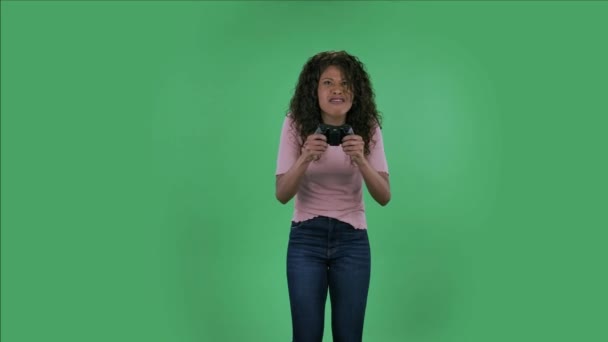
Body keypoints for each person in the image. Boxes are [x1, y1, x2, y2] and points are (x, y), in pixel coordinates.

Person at [275, 50, 390, 342]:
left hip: (352, 240)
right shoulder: (295, 124)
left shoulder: (368, 126)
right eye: (327, 82)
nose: (337, 89)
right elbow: (282, 194)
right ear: (314, 91)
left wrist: (361, 159)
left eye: (345, 82)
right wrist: (304, 157)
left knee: (349, 337)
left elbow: (384, 196)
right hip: (305, 239)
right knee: (306, 336)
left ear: (356, 91)